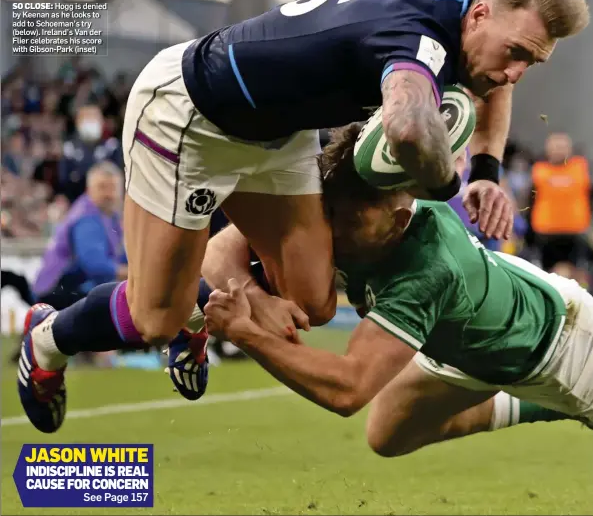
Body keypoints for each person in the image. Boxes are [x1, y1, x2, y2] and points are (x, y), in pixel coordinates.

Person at [18, 0, 589, 434]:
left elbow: (495, 82)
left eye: (530, 61)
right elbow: (410, 126)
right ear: (483, 16)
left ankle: (199, 308)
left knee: (311, 300)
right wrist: (447, 185)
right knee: (152, 318)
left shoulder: (466, 10)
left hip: (279, 133)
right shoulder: (419, 40)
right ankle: (48, 339)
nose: (515, 70)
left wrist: (487, 171)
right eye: (516, 52)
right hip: (192, 114)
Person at [201, 124, 592, 460]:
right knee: (388, 434)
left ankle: (560, 400)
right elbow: (218, 250)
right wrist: (257, 298)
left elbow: (348, 389)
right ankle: (538, 402)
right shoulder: (339, 200)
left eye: (352, 222)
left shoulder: (427, 268)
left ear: (400, 219)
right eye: (331, 215)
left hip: (564, 342)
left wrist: (245, 333)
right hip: (472, 341)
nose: (334, 233)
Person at [32, 161, 128, 310]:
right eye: (102, 187)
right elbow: (94, 264)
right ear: (88, 189)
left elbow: (120, 255)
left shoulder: (110, 216)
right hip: (56, 292)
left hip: (73, 288)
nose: (109, 194)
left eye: (113, 188)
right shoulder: (86, 216)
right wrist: (134, 274)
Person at [530, 132, 591, 284]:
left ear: (570, 149)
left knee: (578, 276)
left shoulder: (581, 168)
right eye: (555, 146)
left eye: (563, 147)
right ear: (548, 149)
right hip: (546, 233)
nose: (559, 150)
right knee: (548, 277)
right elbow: (530, 201)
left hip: (575, 232)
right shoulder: (539, 170)